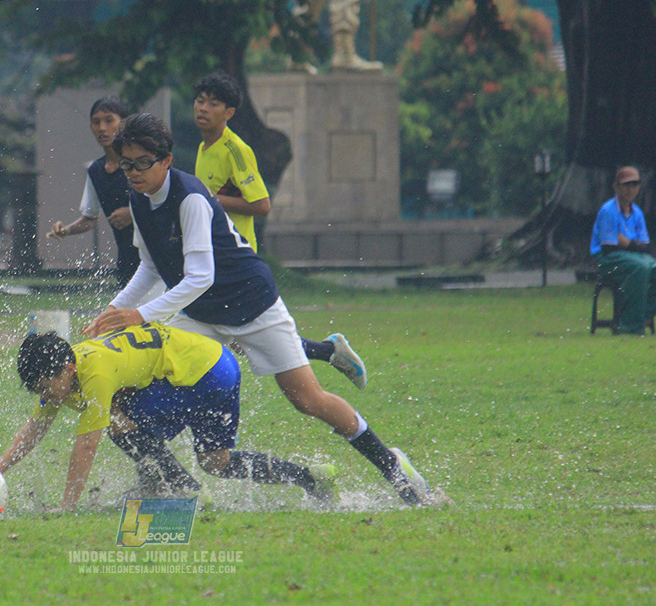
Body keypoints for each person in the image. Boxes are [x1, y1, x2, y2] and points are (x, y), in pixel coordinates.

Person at [84, 113, 431, 506]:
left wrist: (140, 315)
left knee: (309, 401)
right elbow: (150, 266)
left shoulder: (191, 198)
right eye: (126, 163)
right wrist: (114, 308)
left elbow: (200, 277)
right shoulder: (137, 198)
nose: (133, 172)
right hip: (199, 316)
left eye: (142, 162)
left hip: (252, 303)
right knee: (144, 389)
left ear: (166, 160)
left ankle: (396, 468)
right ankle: (160, 483)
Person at [0, 326, 338, 512]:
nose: (47, 395)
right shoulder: (65, 372)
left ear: (67, 369)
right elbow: (32, 431)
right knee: (215, 461)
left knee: (117, 422)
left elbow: (86, 445)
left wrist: (67, 506)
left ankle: (184, 490)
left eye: (46, 386)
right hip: (221, 366)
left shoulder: (94, 373)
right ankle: (310, 478)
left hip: (200, 374)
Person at [192, 69, 363, 378]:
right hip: (211, 253)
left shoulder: (236, 150)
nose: (203, 108)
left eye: (213, 103)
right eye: (200, 101)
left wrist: (211, 199)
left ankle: (328, 353)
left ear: (229, 112)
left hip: (234, 256)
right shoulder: (205, 148)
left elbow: (262, 205)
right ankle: (328, 351)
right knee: (237, 337)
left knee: (235, 336)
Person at [46, 96, 139, 287]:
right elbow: (90, 218)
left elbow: (165, 203)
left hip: (157, 255)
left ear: (123, 124)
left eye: (109, 120)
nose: (102, 128)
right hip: (126, 258)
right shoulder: (96, 171)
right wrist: (66, 230)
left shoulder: (141, 162)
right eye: (96, 122)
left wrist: (133, 213)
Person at [590, 165, 656, 335]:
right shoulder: (608, 211)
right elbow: (609, 245)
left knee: (650, 267)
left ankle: (644, 315)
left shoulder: (637, 213)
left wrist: (627, 243)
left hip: (631, 256)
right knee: (640, 268)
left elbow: (643, 245)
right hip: (607, 258)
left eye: (634, 185)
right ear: (616, 186)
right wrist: (632, 244)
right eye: (626, 185)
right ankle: (630, 324)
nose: (630, 189)